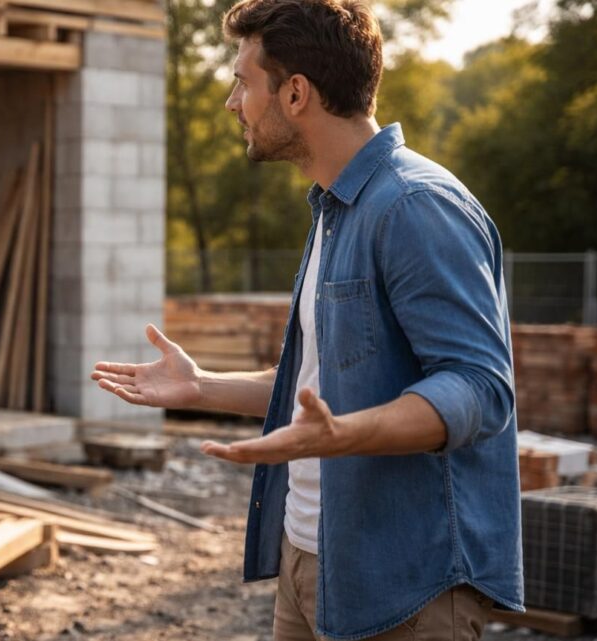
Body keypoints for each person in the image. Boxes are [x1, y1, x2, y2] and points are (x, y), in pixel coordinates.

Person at [91, 1, 523, 639]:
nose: (232, 102)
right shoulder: (334, 208)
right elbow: (323, 387)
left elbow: (480, 389)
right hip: (310, 560)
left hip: (402, 583)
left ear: (295, 94)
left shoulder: (415, 205)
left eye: (243, 81)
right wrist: (202, 387)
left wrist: (343, 434)